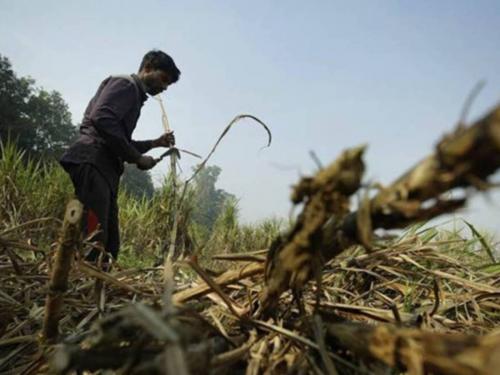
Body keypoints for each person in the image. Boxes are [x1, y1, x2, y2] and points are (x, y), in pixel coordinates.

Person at [60, 49, 180, 262]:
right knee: (94, 239)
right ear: (147, 68)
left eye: (167, 85)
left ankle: (97, 289)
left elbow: (118, 139)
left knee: (110, 245)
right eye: (163, 79)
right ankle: (79, 287)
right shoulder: (126, 84)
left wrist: (155, 144)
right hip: (93, 160)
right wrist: (137, 158)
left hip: (105, 169)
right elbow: (102, 120)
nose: (163, 87)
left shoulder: (134, 93)